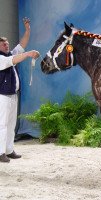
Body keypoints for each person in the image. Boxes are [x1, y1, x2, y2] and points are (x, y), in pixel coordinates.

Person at [0, 17, 39, 163]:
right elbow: (15, 60)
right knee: (2, 124)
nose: (6, 45)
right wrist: (28, 54)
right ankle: (0, 152)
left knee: (11, 125)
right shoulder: (1, 58)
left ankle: (9, 150)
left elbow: (22, 44)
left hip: (12, 95)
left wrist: (28, 30)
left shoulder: (10, 54)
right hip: (2, 96)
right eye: (3, 44)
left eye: (7, 43)